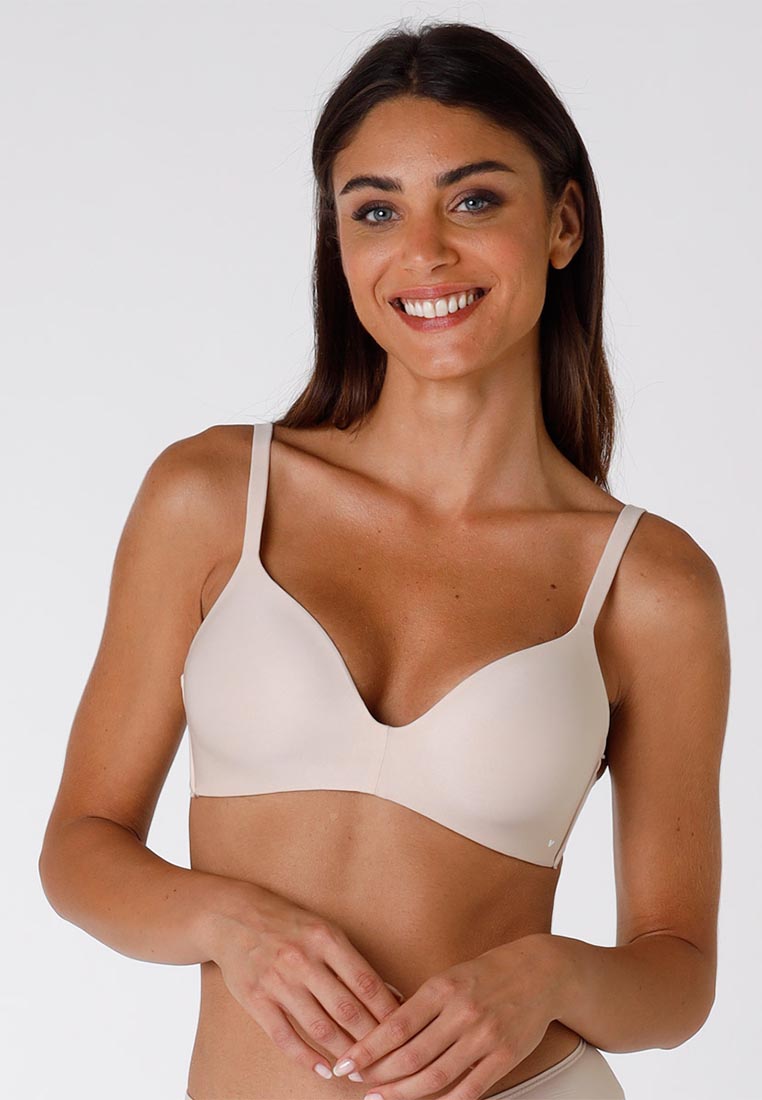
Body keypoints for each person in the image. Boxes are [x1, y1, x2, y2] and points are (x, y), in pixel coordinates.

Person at [38, 19, 730, 1100]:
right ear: (340, 243)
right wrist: (227, 920)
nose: (426, 252)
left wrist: (550, 975)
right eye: (376, 210)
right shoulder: (214, 497)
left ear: (563, 223)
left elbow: (677, 974)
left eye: (473, 200)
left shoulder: (650, 586)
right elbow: (80, 846)